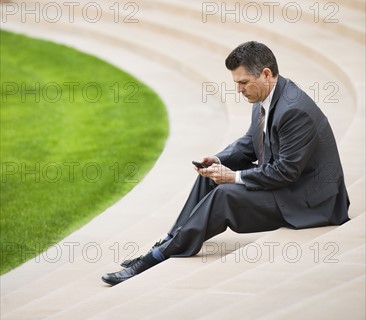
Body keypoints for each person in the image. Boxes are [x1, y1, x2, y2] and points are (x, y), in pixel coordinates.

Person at [101, 41, 350, 286]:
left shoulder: (294, 111)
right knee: (209, 175)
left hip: (308, 201)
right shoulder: (266, 96)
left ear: (266, 74)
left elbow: (286, 172)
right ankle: (170, 240)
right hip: (287, 184)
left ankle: (157, 256)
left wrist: (233, 177)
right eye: (236, 83)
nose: (238, 90)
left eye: (243, 83)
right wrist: (219, 160)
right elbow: (252, 143)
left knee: (224, 195)